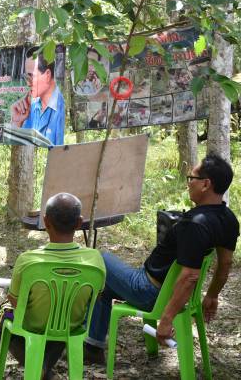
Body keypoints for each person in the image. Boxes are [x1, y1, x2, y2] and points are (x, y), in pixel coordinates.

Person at [84, 153, 239, 364]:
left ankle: (75, 334)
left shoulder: (194, 224)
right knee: (103, 285)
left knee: (97, 257)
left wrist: (165, 320)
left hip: (149, 291)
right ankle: (92, 346)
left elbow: (189, 276)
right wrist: (212, 295)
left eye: (191, 178)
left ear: (205, 184)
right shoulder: (228, 219)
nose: (188, 184)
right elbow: (226, 263)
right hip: (165, 290)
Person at [0, 193, 105, 379]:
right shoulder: (95, 259)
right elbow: (97, 297)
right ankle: (44, 368)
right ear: (79, 223)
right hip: (71, 325)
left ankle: (37, 368)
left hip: (34, 325)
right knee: (60, 317)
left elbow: (15, 300)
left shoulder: (28, 260)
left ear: (45, 222)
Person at [10, 49, 65, 145]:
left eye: (31, 76)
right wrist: (16, 123)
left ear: (47, 75)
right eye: (26, 77)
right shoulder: (33, 106)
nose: (28, 83)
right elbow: (22, 144)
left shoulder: (61, 107)